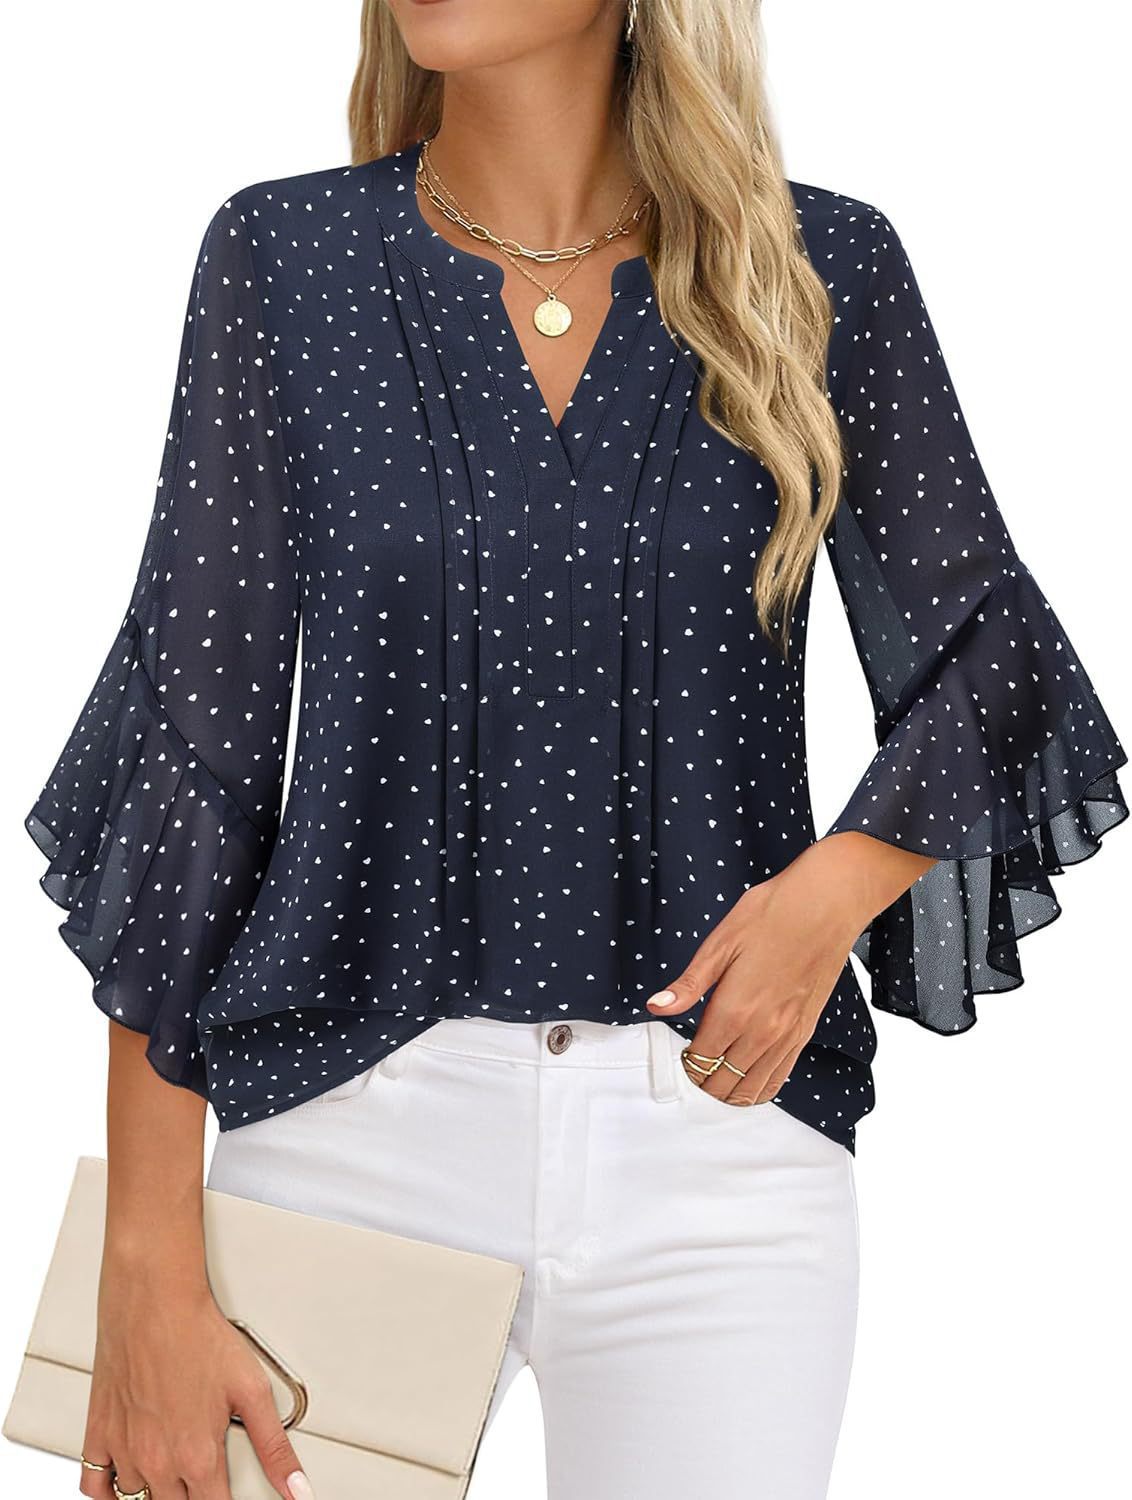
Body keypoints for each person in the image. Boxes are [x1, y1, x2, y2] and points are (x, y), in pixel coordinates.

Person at [27, 4, 1126, 1499]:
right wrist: (146, 1267)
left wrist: (830, 896)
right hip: (344, 1141)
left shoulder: (819, 268)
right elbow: (193, 762)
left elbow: (997, 659)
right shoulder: (284, 261)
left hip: (724, 1158)